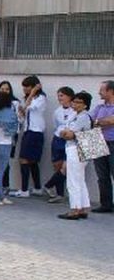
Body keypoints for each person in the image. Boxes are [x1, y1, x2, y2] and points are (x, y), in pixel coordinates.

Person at [59, 92, 95, 221]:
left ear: (85, 105)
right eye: (74, 101)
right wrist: (65, 132)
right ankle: (83, 207)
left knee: (73, 180)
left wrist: (65, 133)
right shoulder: (78, 115)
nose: (75, 104)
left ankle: (74, 209)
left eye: (78, 102)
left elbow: (69, 134)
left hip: (76, 149)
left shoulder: (82, 117)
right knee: (80, 180)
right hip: (79, 149)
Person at [12, 76, 46, 197]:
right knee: (30, 161)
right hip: (28, 130)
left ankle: (26, 189)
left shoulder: (40, 98)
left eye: (28, 87)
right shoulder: (26, 99)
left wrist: (32, 94)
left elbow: (28, 107)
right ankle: (37, 187)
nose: (25, 90)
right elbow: (21, 115)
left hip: (35, 131)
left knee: (26, 159)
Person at [44, 86, 76, 204]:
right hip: (58, 139)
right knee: (58, 166)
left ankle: (49, 185)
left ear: (69, 96)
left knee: (66, 167)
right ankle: (59, 194)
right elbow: (56, 125)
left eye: (62, 95)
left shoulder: (75, 110)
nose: (59, 98)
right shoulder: (57, 111)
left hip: (70, 141)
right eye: (58, 96)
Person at [89, 80, 114, 213]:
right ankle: (106, 204)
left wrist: (99, 122)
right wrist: (101, 122)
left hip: (112, 142)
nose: (99, 92)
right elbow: (90, 121)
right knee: (102, 175)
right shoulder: (99, 107)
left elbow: (111, 121)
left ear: (110, 91)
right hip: (97, 141)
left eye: (102, 90)